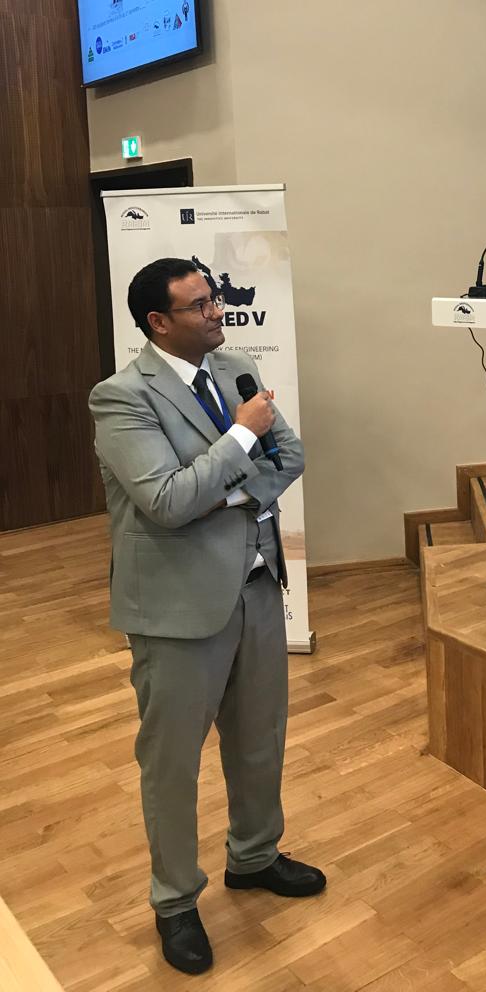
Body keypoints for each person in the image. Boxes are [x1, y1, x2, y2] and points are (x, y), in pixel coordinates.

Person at [88, 258, 323, 975]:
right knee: (172, 763)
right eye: (200, 305)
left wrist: (228, 493)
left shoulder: (235, 368)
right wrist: (242, 439)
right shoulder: (121, 397)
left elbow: (291, 456)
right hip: (176, 607)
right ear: (159, 323)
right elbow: (166, 501)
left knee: (259, 738)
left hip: (256, 587)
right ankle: (175, 901)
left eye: (216, 298)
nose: (218, 311)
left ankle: (254, 856)